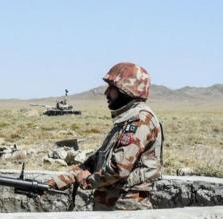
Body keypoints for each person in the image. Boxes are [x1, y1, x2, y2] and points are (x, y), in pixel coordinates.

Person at [47, 62, 164, 210]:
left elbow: (118, 168)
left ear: (126, 90)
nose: (106, 93)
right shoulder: (125, 120)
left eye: (112, 88)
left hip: (126, 210)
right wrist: (58, 181)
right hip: (112, 207)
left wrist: (88, 181)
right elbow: (94, 163)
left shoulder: (140, 120)